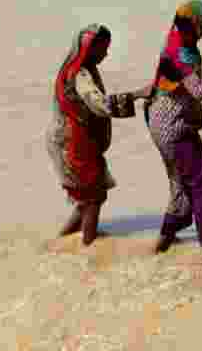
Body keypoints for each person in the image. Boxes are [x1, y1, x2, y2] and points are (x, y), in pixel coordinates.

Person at [138, 0, 202, 262]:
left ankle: (164, 241)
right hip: (175, 127)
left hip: (159, 123)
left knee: (179, 183)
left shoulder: (172, 37)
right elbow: (198, 90)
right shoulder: (184, 54)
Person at [47, 24, 139, 246]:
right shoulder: (80, 74)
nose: (106, 54)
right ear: (89, 48)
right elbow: (97, 103)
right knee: (95, 197)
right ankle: (89, 244)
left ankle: (62, 241)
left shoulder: (73, 67)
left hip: (69, 139)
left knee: (85, 199)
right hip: (75, 142)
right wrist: (134, 97)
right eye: (103, 49)